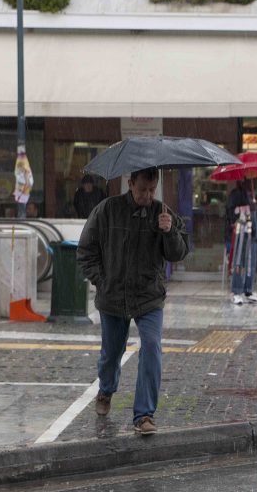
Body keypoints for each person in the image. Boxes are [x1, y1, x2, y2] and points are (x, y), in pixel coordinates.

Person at [77, 167, 190, 432]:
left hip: (149, 296)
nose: (148, 196)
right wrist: (102, 281)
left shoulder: (163, 213)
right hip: (113, 296)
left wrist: (169, 231)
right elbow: (85, 250)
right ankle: (105, 390)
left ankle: (144, 415)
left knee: (151, 347)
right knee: (112, 353)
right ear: (130, 183)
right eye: (143, 190)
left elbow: (179, 253)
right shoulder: (107, 210)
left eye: (152, 190)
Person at [225, 177, 257, 305]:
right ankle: (236, 291)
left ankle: (248, 290)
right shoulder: (236, 194)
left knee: (251, 264)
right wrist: (247, 208)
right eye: (255, 180)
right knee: (240, 263)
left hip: (253, 234)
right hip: (241, 235)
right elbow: (232, 213)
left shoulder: (252, 195)